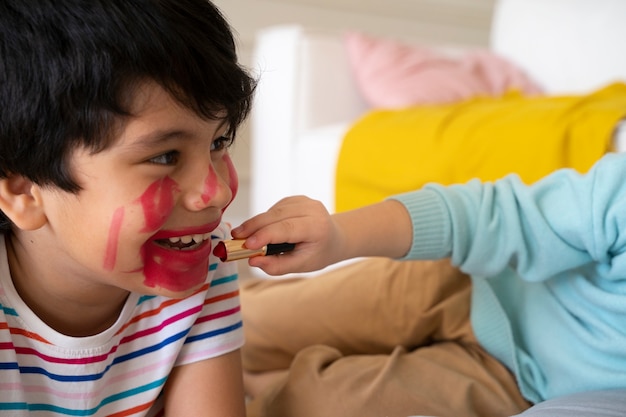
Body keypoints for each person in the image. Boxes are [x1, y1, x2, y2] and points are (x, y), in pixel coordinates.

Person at [0, 1, 255, 415]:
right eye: (165, 156)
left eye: (218, 142)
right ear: (25, 191)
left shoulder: (199, 257)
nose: (215, 193)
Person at [232, 151, 626, 417]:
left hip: (519, 386)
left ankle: (262, 382)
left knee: (314, 405)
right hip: (470, 282)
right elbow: (498, 216)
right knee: (251, 319)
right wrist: (339, 236)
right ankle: (255, 374)